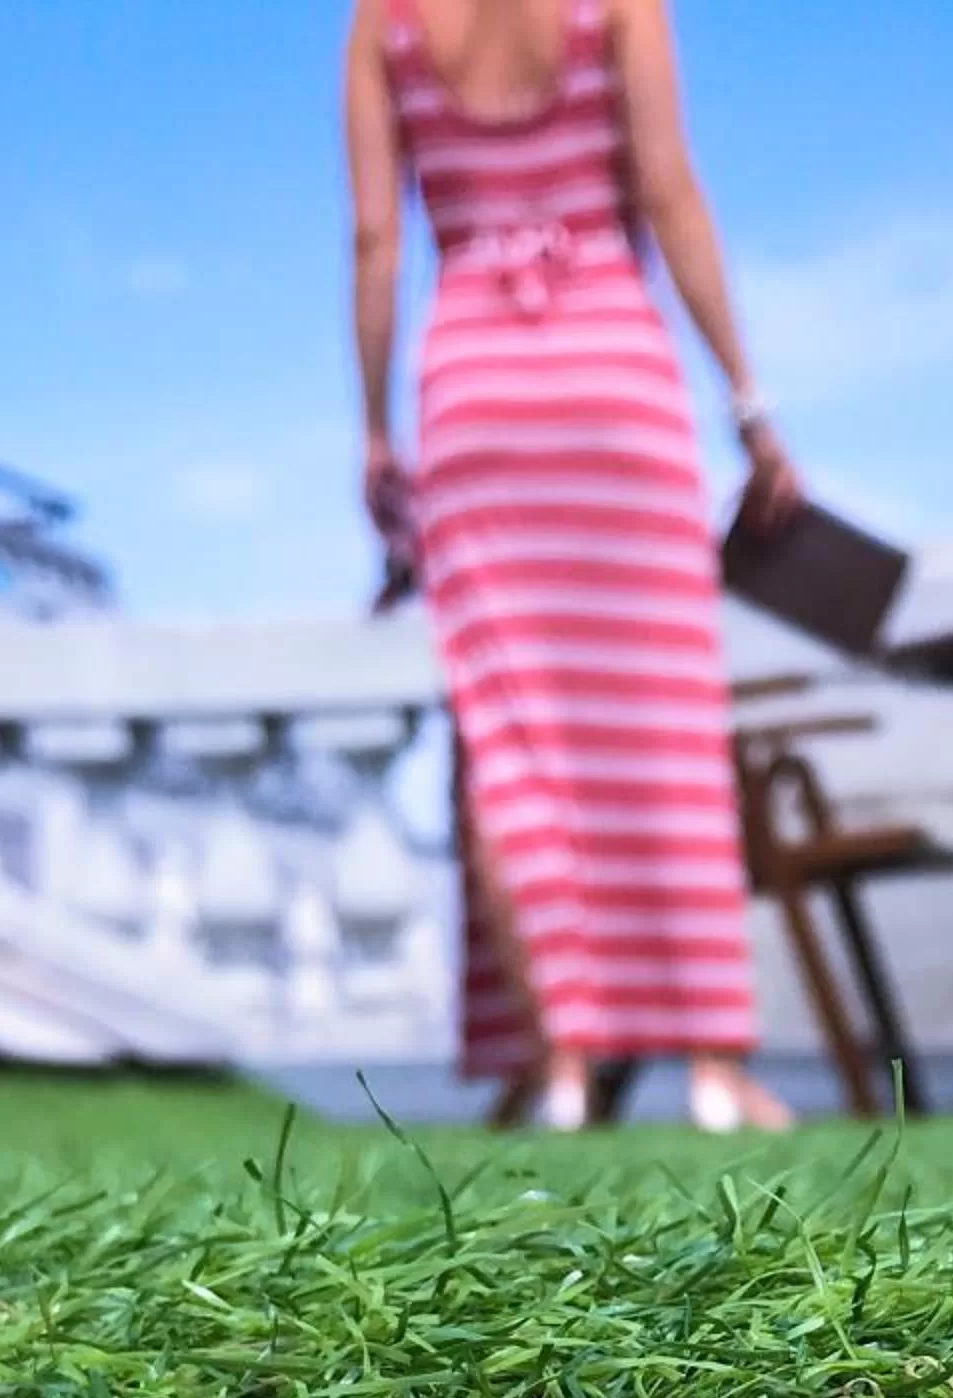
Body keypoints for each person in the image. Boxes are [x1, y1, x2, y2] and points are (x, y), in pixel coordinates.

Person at [345, 0, 803, 1134]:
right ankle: (709, 1067)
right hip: (612, 377)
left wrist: (374, 437)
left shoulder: (384, 23)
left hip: (473, 387)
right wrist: (750, 405)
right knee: (663, 729)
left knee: (513, 745)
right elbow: (670, 189)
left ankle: (560, 1061)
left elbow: (374, 239)